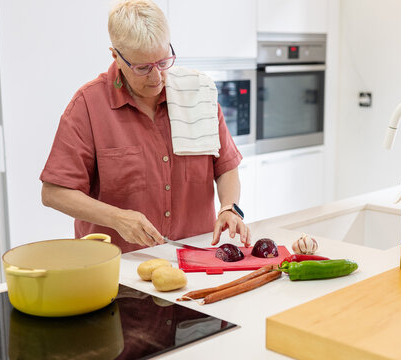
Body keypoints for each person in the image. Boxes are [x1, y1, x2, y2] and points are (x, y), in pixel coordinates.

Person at [40, 0, 250, 253]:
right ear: (116, 56)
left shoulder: (197, 94)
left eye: (163, 62)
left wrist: (229, 207)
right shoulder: (87, 106)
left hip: (196, 259)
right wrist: (117, 218)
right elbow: (54, 192)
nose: (157, 77)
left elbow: (226, 166)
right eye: (142, 68)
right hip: (119, 269)